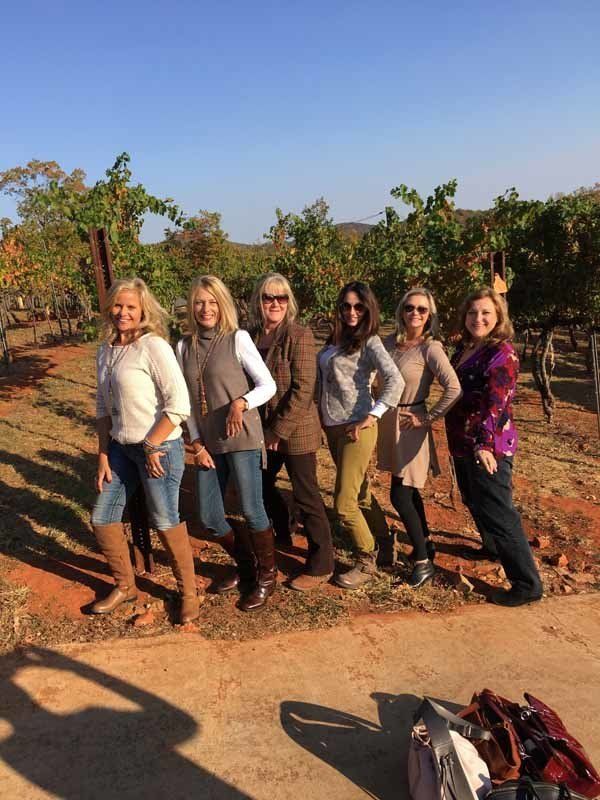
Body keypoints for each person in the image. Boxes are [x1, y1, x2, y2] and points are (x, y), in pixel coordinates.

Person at [91, 277, 199, 624]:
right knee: (102, 516)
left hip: (159, 448)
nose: (123, 313)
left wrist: (153, 442)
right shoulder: (106, 350)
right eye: (118, 306)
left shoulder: (153, 347)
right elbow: (103, 409)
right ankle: (126, 586)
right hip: (122, 448)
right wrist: (103, 455)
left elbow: (179, 403)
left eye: (131, 307)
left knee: (164, 519)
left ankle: (189, 593)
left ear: (143, 311)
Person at [176, 275, 277, 612]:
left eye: (213, 302)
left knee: (251, 508)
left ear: (223, 305)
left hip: (243, 436)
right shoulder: (183, 347)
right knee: (209, 515)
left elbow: (268, 384)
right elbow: (186, 400)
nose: (206, 308)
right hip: (209, 443)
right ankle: (246, 565)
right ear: (192, 307)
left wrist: (242, 402)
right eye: (200, 302)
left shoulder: (237, 339)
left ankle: (267, 576)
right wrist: (196, 441)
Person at [445, 287, 543, 607]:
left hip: (488, 445)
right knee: (473, 498)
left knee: (498, 510)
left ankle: (526, 583)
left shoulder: (502, 353)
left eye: (486, 312)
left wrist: (485, 444)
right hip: (461, 440)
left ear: (498, 316)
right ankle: (491, 547)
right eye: (473, 312)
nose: (478, 318)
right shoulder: (463, 348)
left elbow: (497, 403)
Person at [249, 272, 334, 591]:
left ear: (289, 302)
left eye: (281, 297)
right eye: (268, 297)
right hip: (263, 428)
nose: (275, 303)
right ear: (259, 300)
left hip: (296, 429)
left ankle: (322, 561)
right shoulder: (252, 336)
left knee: (306, 493)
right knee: (259, 484)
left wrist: (277, 430)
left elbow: (302, 389)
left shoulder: (299, 335)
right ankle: (283, 529)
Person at [318, 281, 404, 589]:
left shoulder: (369, 341)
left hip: (357, 427)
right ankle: (384, 542)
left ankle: (366, 558)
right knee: (361, 491)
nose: (351, 311)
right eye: (346, 306)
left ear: (368, 309)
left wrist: (373, 415)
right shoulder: (335, 339)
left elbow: (395, 380)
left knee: (343, 503)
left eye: (358, 306)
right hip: (333, 426)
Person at [377, 288, 462, 587]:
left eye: (422, 310)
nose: (415, 313)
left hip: (411, 424)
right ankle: (425, 545)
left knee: (399, 495)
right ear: (401, 310)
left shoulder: (430, 347)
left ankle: (424, 563)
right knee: (409, 490)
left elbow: (453, 388)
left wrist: (427, 418)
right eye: (410, 307)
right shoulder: (389, 342)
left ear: (430, 316)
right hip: (388, 420)